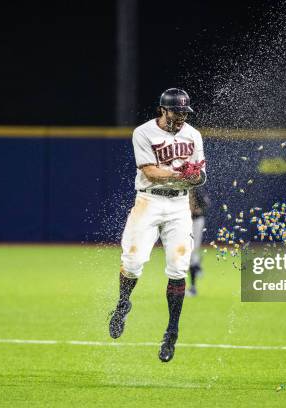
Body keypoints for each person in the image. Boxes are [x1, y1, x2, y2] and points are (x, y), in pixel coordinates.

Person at [108, 88, 206, 363]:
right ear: (163, 110)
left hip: (179, 205)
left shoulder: (193, 135)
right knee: (133, 261)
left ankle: (171, 331)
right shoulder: (143, 132)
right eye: (176, 112)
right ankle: (122, 303)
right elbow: (150, 171)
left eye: (185, 112)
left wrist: (194, 175)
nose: (181, 117)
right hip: (149, 202)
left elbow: (201, 176)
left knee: (178, 268)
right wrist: (180, 172)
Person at [187, 187, 210, 296]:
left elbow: (205, 204)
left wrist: (197, 208)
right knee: (185, 252)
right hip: (184, 220)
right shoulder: (180, 186)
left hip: (196, 220)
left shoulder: (196, 188)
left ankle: (193, 287)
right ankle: (197, 265)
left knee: (192, 251)